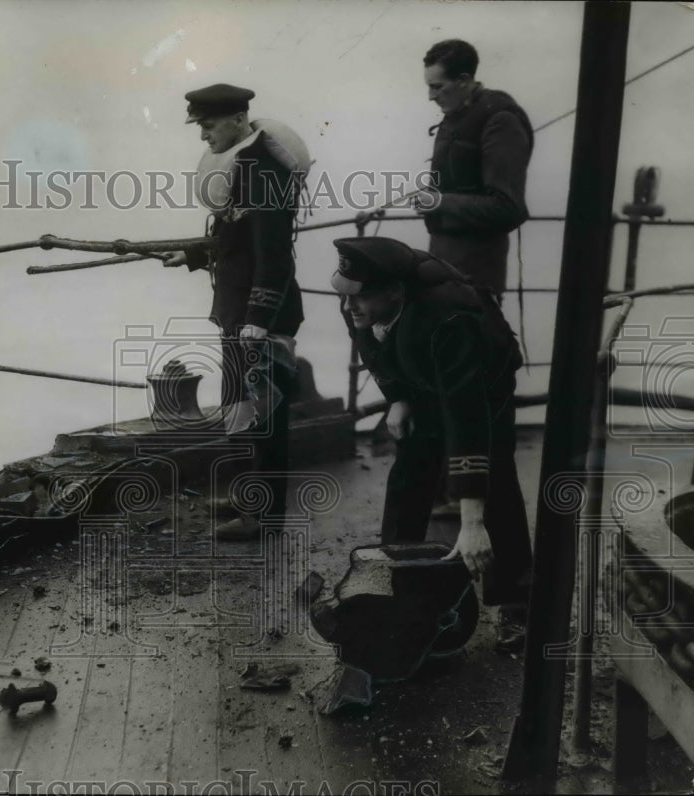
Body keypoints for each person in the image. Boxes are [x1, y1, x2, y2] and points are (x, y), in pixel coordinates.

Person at [330, 235, 533, 651]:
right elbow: (370, 346)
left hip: (482, 379)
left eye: (360, 298)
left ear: (394, 292)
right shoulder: (358, 299)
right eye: (347, 295)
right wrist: (398, 397)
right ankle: (386, 576)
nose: (350, 307)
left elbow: (466, 418)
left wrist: (471, 523)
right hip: (421, 370)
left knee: (494, 477)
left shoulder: (451, 320)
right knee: (409, 472)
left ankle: (517, 601)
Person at [164, 83, 305, 541]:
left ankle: (265, 517)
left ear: (238, 119)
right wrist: (193, 256)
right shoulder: (240, 163)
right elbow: (236, 239)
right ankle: (249, 497)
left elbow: (275, 253)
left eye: (206, 125)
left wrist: (258, 320)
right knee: (241, 407)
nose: (202, 135)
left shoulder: (262, 169)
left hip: (258, 316)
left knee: (264, 416)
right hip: (238, 312)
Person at [416, 39, 534, 297]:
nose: (431, 96)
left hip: (474, 281)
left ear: (463, 79)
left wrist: (438, 202)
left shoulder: (501, 121)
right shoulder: (457, 116)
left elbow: (508, 207)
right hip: (442, 271)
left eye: (438, 87)